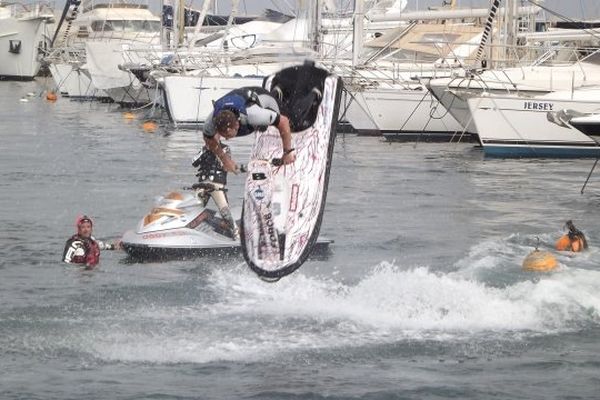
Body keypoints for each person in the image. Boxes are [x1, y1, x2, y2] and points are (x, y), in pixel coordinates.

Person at [202, 86, 296, 173]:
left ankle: (278, 94)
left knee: (293, 123)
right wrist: (225, 160)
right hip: (239, 98)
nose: (226, 139)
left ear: (237, 125)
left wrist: (287, 152)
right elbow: (208, 138)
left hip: (262, 97)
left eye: (229, 136)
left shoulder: (253, 114)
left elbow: (284, 122)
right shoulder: (212, 120)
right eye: (224, 136)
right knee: (262, 127)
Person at [192, 138, 239, 240]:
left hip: (217, 185)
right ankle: (192, 232)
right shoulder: (204, 149)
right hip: (203, 184)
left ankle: (236, 234)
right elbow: (194, 162)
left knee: (224, 211)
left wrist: (216, 151)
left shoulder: (225, 148)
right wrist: (205, 151)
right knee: (194, 209)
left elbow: (226, 165)